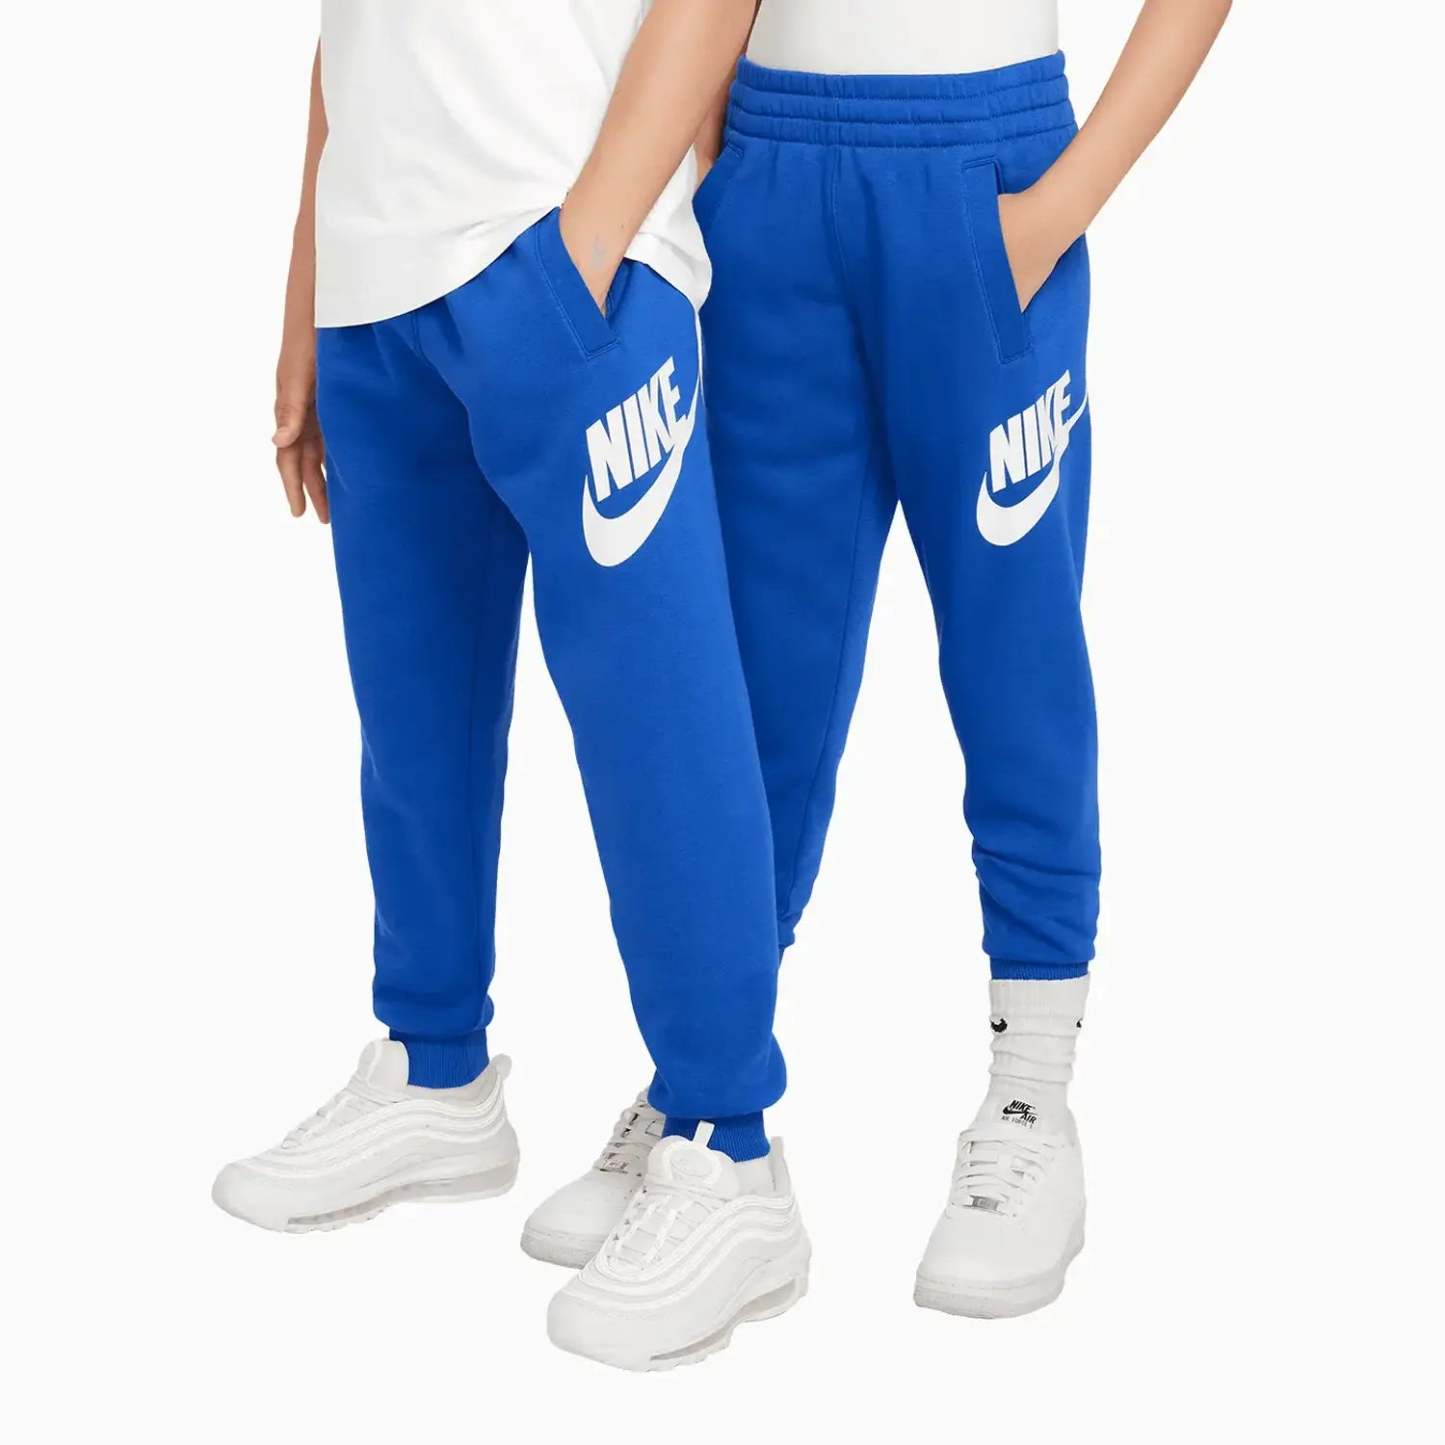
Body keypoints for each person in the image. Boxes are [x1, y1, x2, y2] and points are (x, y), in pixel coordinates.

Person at [528, 0, 1233, 1320]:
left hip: (985, 171)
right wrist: (721, 154)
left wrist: (1056, 211)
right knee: (756, 684)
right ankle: (707, 1086)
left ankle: (1031, 1097)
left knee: (1015, 659)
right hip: (771, 175)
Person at [211, 0, 809, 1372]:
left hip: (566, 249)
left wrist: (588, 248)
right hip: (378, 278)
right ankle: (435, 1070)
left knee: (657, 729)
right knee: (413, 720)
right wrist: (310, 288)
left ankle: (729, 1152)